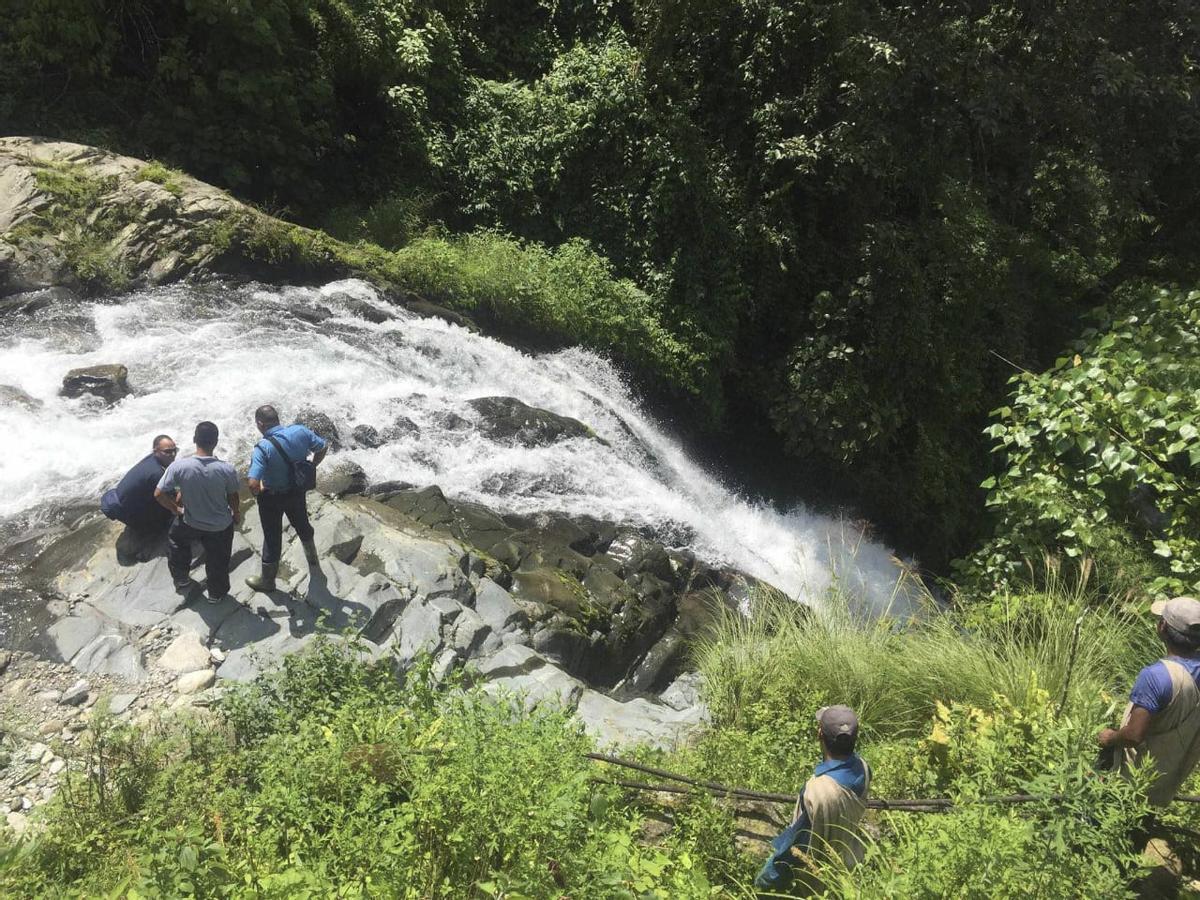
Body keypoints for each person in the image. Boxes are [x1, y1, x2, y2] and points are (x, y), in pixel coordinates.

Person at [755, 706, 871, 893]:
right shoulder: (864, 769)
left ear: (819, 735)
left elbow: (795, 846)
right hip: (849, 868)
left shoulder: (817, 790)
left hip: (818, 883)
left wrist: (765, 882)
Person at [1098, 596, 1200, 807]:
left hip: (1134, 779)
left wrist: (1110, 738)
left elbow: (1133, 736)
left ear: (1162, 627)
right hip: (1169, 775)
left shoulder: (1156, 676)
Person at [154, 421, 240, 603]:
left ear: (194, 440)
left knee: (176, 541)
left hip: (190, 521)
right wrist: (236, 514)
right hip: (220, 526)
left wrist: (176, 509)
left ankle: (182, 579)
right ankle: (216, 594)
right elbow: (233, 497)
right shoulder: (227, 469)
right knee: (219, 560)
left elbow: (159, 493)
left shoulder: (179, 467)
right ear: (215, 442)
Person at [245, 404, 327, 592]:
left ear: (260, 423)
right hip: (296, 491)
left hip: (271, 498)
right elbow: (322, 447)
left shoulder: (262, 448)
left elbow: (252, 483)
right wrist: (312, 466)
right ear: (277, 418)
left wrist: (259, 491)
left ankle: (267, 581)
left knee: (272, 537)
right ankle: (313, 562)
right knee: (302, 525)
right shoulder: (300, 431)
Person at [100, 435, 178, 534]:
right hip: (131, 516)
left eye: (175, 450)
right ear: (155, 451)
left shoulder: (151, 459)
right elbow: (172, 497)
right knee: (172, 514)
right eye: (167, 452)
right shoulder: (156, 473)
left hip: (125, 504)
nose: (173, 454)